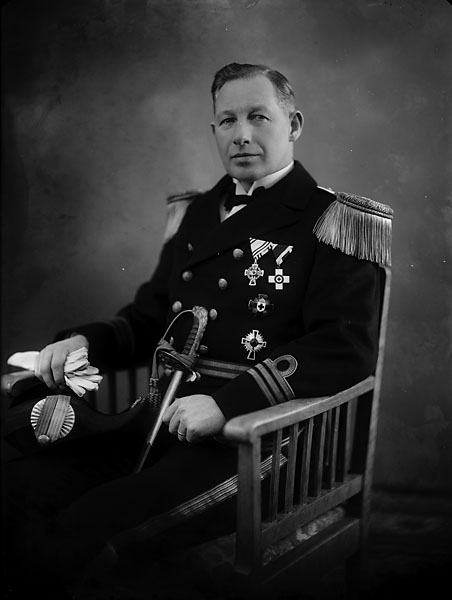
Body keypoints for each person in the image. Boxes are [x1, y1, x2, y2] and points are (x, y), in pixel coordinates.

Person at [4, 62, 393, 598]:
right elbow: (148, 318)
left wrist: (229, 404)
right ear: (214, 130)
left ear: (294, 125)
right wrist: (84, 341)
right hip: (157, 421)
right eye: (227, 120)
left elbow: (344, 347)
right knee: (18, 488)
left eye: (259, 117)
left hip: (261, 443)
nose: (242, 134)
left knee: (90, 525)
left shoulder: (334, 220)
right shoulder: (199, 212)